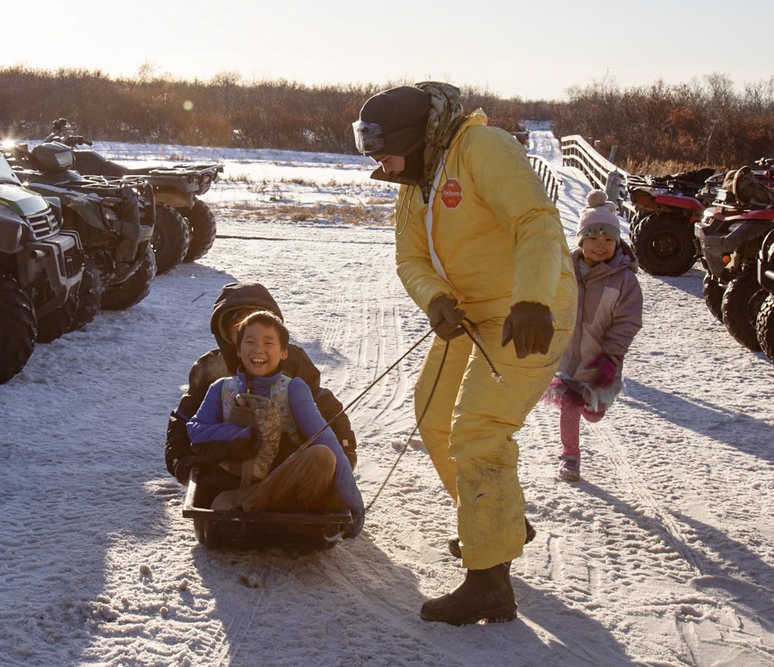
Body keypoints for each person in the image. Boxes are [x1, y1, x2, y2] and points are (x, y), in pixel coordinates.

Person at [353, 82, 578, 624]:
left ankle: (490, 585)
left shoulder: (483, 148)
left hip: (532, 311)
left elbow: (537, 222)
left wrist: (530, 298)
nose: (377, 161)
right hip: (471, 313)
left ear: (412, 135)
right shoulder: (415, 181)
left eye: (381, 147)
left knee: (477, 428)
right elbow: (410, 258)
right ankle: (496, 525)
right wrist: (436, 300)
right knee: (432, 414)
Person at [165, 281, 357, 502]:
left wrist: (345, 448)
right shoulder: (211, 369)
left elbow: (324, 408)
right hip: (231, 474)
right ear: (224, 327)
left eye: (256, 314)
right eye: (236, 316)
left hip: (287, 469)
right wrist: (182, 461)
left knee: (321, 459)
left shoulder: (293, 363)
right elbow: (184, 420)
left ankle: (296, 511)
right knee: (220, 495)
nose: (247, 322)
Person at [186, 310, 365, 538]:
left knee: (322, 456)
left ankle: (253, 507)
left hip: (285, 486)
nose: (258, 349)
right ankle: (263, 510)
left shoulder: (293, 389)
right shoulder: (221, 388)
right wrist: (235, 434)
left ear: (283, 352)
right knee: (223, 499)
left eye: (268, 342)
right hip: (234, 484)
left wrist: (353, 500)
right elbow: (195, 429)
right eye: (249, 341)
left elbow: (323, 436)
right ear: (238, 350)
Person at [542, 190, 643, 482]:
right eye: (593, 239)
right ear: (581, 240)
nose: (600, 246)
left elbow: (628, 320)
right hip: (569, 356)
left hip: (602, 358)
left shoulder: (624, 280)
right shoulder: (565, 270)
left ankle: (592, 408)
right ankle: (570, 456)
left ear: (617, 243)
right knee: (569, 404)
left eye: (608, 240)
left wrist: (612, 355)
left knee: (595, 412)